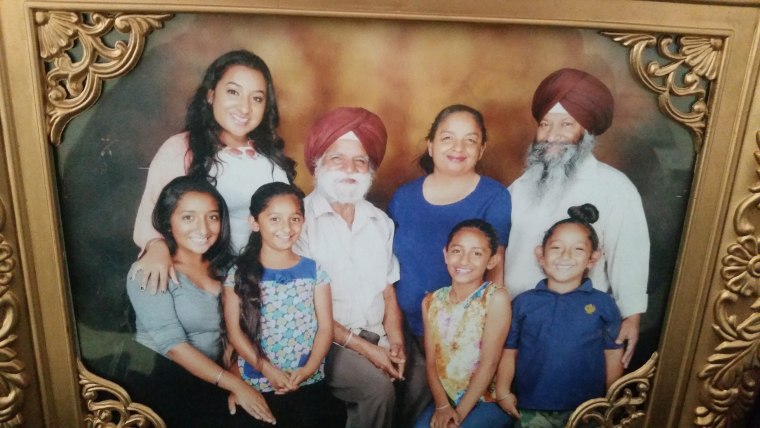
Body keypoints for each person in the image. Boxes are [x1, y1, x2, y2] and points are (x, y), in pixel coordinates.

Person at [504, 68, 649, 367]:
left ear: (587, 132)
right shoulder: (521, 186)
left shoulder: (615, 187)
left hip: (578, 333)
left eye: (566, 124)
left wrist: (632, 318)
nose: (552, 135)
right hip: (513, 329)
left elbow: (630, 257)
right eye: (545, 124)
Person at [294, 107, 429, 428]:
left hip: (378, 331)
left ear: (371, 168)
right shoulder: (298, 220)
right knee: (377, 389)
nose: (349, 169)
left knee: (421, 382)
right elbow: (305, 308)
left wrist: (395, 341)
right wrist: (367, 351)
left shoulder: (379, 222)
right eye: (337, 158)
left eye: (360, 160)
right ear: (317, 163)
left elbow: (388, 291)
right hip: (327, 339)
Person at [131, 49, 296, 293]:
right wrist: (156, 248)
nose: (245, 108)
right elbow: (151, 215)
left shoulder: (271, 159)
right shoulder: (181, 149)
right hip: (204, 284)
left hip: (268, 285)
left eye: (257, 98)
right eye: (233, 92)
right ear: (210, 95)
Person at [126, 175, 276, 426]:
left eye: (213, 217)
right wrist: (236, 385)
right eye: (188, 217)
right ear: (167, 221)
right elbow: (173, 346)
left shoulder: (229, 268)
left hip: (215, 377)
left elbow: (242, 332)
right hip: (161, 380)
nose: (203, 229)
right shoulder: (150, 270)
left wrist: (235, 379)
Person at [389, 104, 512, 340]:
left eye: (470, 140)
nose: (458, 148)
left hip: (464, 335)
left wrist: (485, 340)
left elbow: (496, 277)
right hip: (404, 332)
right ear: (431, 145)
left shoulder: (494, 197)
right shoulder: (403, 197)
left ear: (482, 149)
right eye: (448, 138)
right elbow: (388, 270)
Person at [496, 204, 624, 428]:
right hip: (531, 409)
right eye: (556, 248)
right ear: (540, 255)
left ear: (593, 258)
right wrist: (503, 391)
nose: (566, 256)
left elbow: (613, 356)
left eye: (578, 249)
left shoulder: (603, 304)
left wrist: (611, 402)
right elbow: (509, 352)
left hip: (586, 411)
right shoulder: (524, 303)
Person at [222, 182, 338, 427]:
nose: (286, 228)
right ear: (255, 222)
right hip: (258, 381)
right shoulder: (238, 273)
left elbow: (326, 329)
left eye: (295, 219)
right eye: (274, 219)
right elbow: (234, 332)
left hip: (307, 381)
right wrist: (267, 369)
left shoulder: (315, 271)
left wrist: (308, 370)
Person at [414, 219, 513, 428]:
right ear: (446, 254)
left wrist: (457, 416)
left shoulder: (495, 298)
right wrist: (442, 407)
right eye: (457, 251)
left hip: (484, 400)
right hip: (446, 400)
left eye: (476, 253)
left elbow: (489, 363)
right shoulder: (430, 302)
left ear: (492, 260)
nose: (464, 260)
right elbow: (431, 363)